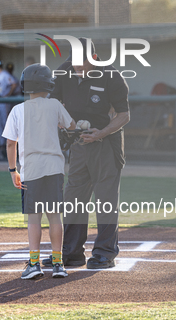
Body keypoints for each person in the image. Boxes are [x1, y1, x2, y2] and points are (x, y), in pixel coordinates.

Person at [44, 38, 130, 270]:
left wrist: (101, 133)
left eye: (82, 62)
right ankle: (71, 253)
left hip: (106, 147)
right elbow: (53, 103)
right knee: (73, 199)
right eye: (74, 62)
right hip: (79, 145)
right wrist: (62, 125)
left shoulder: (111, 76)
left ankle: (104, 253)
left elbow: (124, 115)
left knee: (105, 202)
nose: (77, 67)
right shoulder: (64, 71)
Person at [2, 63, 75, 279]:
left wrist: (12, 170)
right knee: (55, 217)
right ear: (49, 84)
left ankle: (34, 264)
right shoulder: (55, 105)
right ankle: (58, 264)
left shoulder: (18, 109)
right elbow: (71, 126)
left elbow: (10, 143)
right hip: (54, 168)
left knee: (34, 219)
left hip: (31, 170)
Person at [0, 60, 17, 159]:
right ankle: (2, 148)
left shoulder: (4, 74)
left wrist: (8, 95)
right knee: (0, 125)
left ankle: (8, 149)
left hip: (4, 102)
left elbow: (14, 84)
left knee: (6, 125)